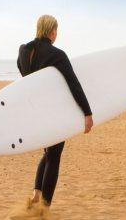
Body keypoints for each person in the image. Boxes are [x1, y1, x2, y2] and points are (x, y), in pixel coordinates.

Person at [16, 15, 94, 208]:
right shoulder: (57, 55)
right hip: (53, 111)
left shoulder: (23, 51)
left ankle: (36, 194)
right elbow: (73, 84)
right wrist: (87, 112)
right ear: (52, 31)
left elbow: (25, 79)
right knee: (54, 155)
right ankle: (45, 206)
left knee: (48, 152)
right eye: (56, 31)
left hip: (34, 111)